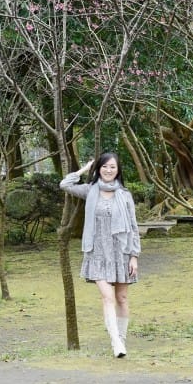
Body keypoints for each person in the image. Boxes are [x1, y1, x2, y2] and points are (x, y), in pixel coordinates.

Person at [59, 152, 141, 358]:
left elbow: (133, 227)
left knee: (121, 298)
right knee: (107, 297)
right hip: (97, 252)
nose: (108, 170)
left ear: (118, 170)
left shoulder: (125, 195)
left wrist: (134, 256)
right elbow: (65, 184)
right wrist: (84, 169)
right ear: (98, 169)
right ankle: (116, 344)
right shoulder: (90, 191)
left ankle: (121, 339)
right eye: (104, 166)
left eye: (112, 167)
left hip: (121, 253)